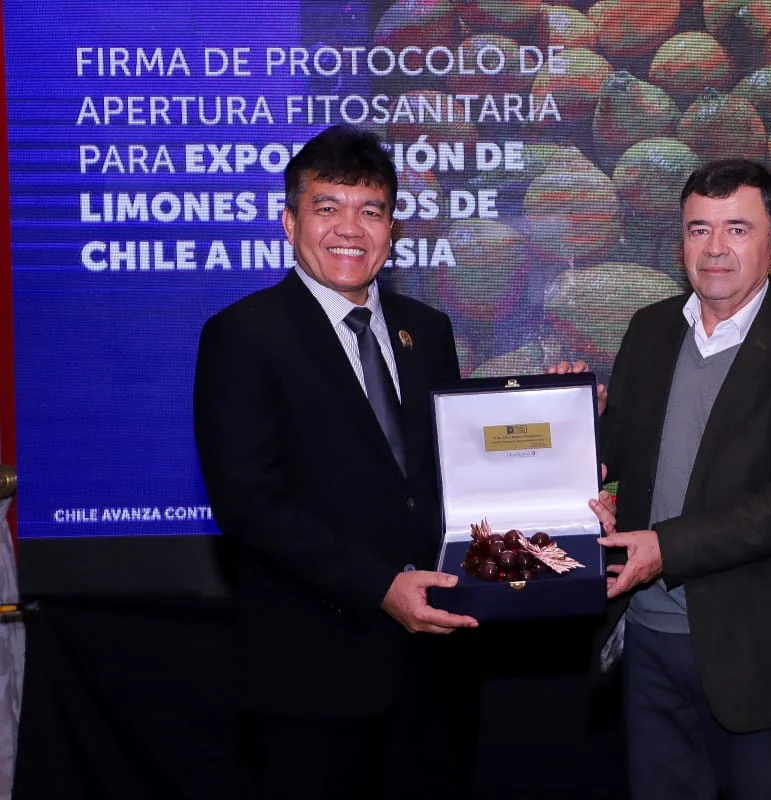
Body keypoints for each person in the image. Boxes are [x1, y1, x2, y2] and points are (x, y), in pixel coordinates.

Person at [193, 124, 477, 800]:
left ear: (392, 230)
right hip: (312, 676)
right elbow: (249, 505)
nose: (350, 228)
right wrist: (381, 587)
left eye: (370, 210)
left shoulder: (427, 330)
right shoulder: (242, 335)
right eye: (328, 207)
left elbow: (453, 472)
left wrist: (556, 446)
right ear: (290, 222)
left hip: (432, 671)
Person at [588, 159, 771, 800]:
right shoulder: (650, 330)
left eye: (737, 229)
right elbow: (618, 451)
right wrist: (575, 443)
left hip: (757, 656)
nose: (715, 248)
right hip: (646, 639)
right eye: (699, 229)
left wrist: (667, 547)